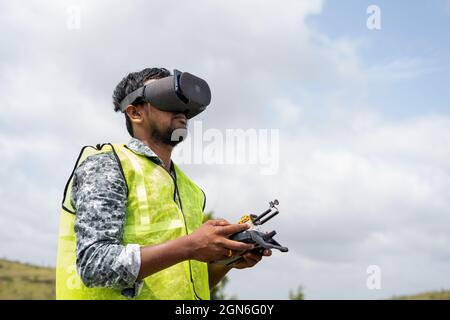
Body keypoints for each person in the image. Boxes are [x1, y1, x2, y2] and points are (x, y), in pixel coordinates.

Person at [55, 67, 271, 300]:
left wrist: (229, 259)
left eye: (184, 103)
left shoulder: (191, 190)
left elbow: (187, 283)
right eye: (167, 97)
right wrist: (191, 246)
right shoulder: (108, 165)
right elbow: (94, 265)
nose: (181, 110)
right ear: (135, 113)